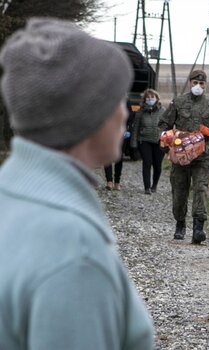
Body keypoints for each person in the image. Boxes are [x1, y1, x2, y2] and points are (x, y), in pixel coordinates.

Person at [0, 18, 154, 350]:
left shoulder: (11, 193)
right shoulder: (73, 250)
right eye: (115, 100)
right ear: (87, 114)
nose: (124, 113)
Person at [158, 70, 209, 244]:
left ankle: (198, 229)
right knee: (179, 191)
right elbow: (163, 124)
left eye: (201, 84)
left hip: (201, 157)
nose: (198, 86)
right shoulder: (178, 102)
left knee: (201, 189)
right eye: (195, 83)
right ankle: (180, 223)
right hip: (180, 157)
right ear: (190, 83)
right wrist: (168, 145)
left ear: (206, 85)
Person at [130, 89, 166, 194]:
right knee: (147, 163)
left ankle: (154, 185)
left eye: (152, 97)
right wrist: (133, 143)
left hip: (158, 140)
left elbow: (166, 126)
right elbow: (135, 127)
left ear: (157, 98)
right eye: (148, 97)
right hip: (144, 140)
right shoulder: (140, 111)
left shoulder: (162, 111)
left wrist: (167, 141)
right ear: (145, 99)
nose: (150, 99)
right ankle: (147, 187)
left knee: (157, 164)